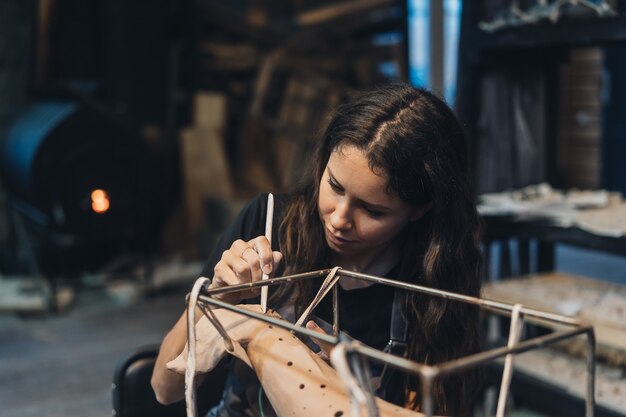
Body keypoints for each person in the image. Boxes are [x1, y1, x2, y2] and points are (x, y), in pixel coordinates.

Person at [151, 83, 483, 417]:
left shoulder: (433, 280)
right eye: (335, 186)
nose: (339, 219)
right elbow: (163, 389)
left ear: (420, 209)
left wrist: (343, 389)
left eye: (373, 211)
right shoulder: (267, 224)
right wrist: (218, 299)